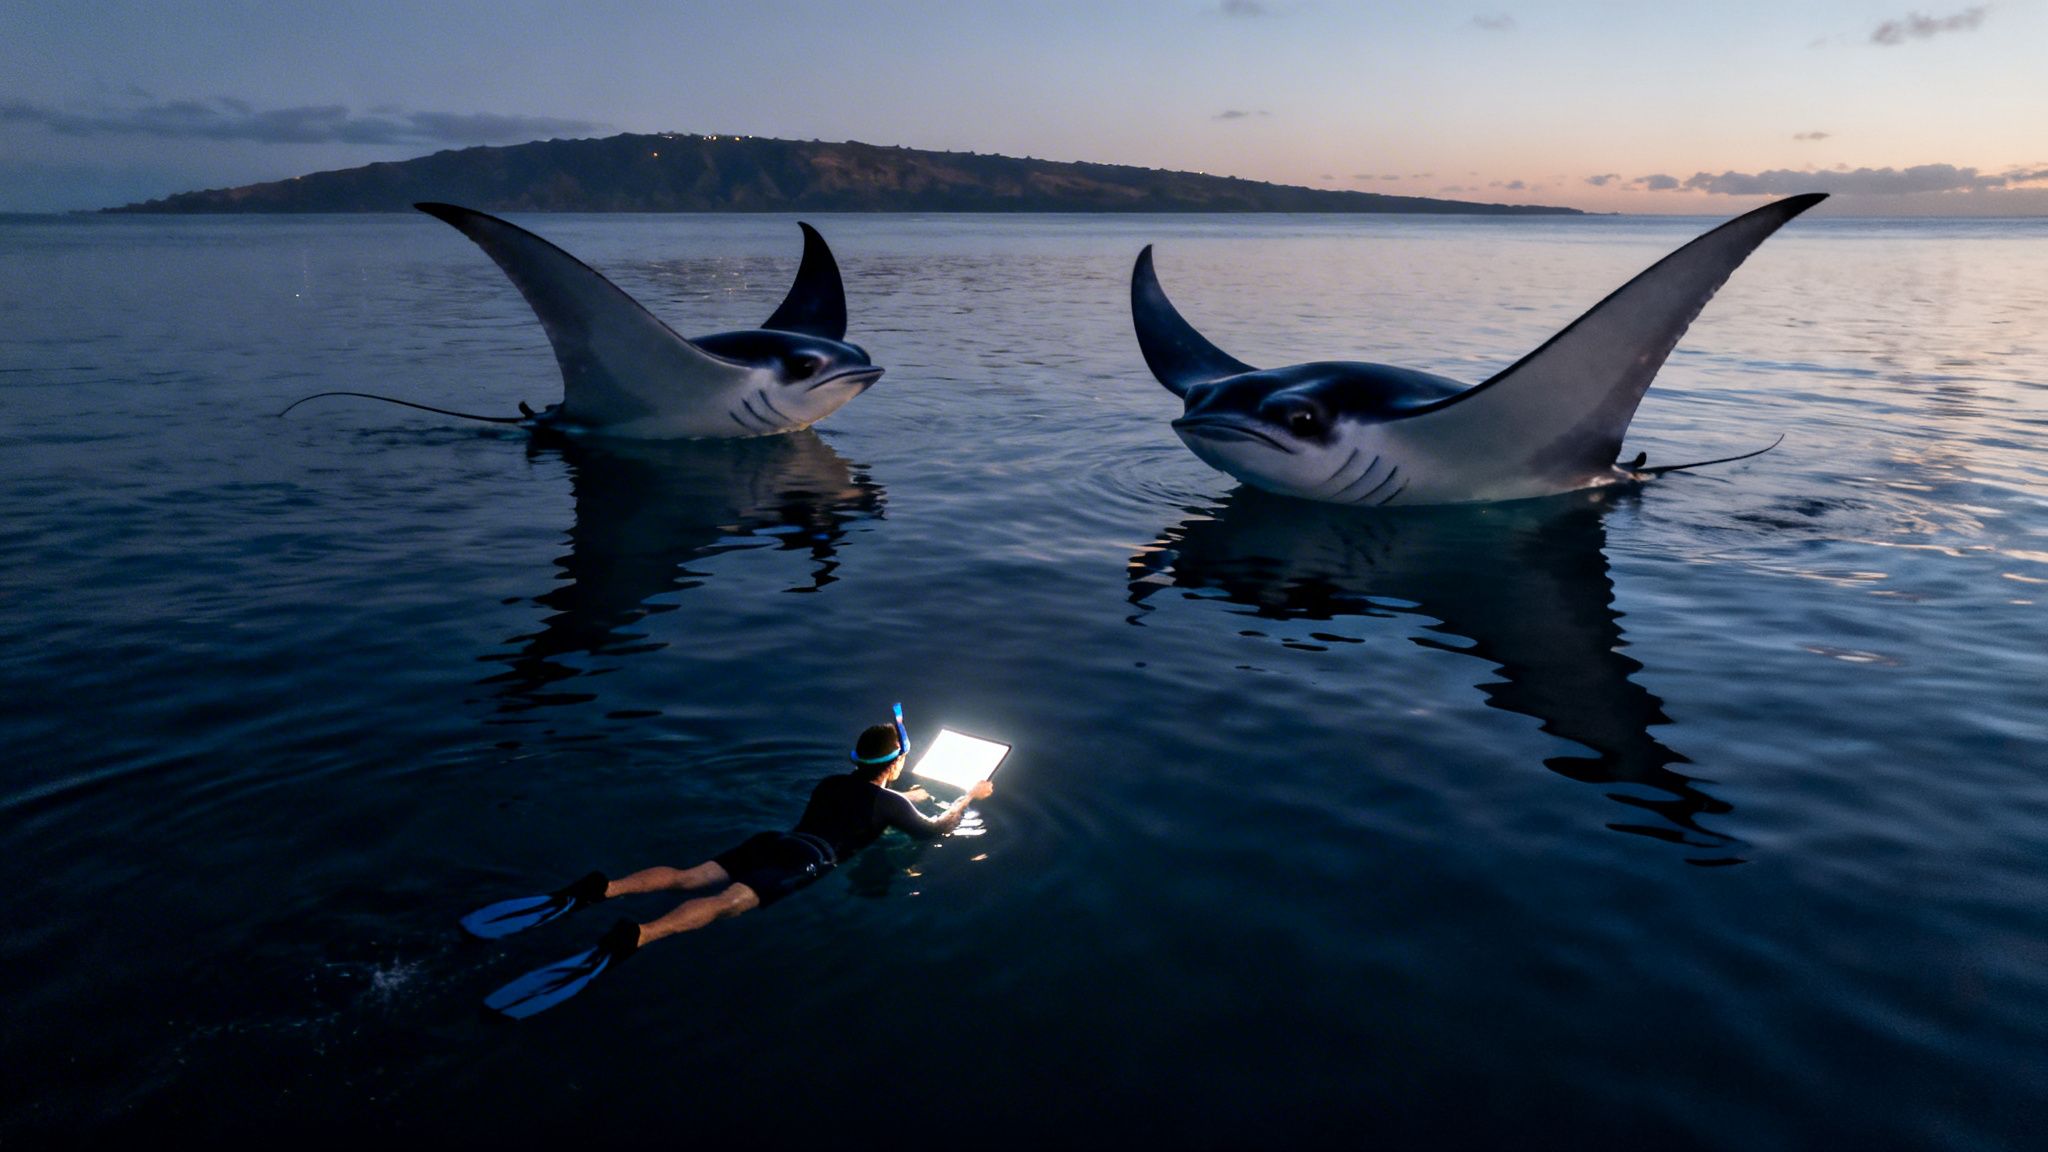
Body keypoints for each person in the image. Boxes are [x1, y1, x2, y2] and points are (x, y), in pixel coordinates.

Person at [481, 718, 995, 966]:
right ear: (896, 762)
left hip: (775, 839)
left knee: (689, 877)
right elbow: (935, 829)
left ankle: (605, 888)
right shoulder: (893, 803)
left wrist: (904, 792)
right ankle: (639, 936)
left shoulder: (832, 783)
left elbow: (865, 801)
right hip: (807, 861)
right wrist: (968, 796)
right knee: (727, 903)